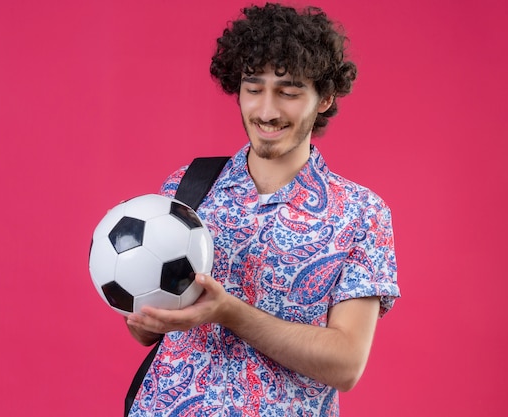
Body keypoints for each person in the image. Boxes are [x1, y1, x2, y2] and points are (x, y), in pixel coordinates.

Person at [125, 3, 400, 416]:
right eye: (253, 89)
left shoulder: (361, 214)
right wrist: (145, 322)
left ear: (324, 98)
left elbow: (346, 363)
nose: (266, 111)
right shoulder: (189, 187)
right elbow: (151, 331)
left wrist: (230, 313)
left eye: (288, 92)